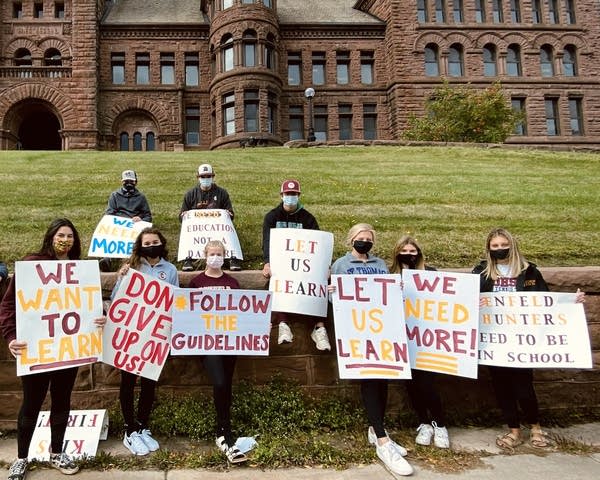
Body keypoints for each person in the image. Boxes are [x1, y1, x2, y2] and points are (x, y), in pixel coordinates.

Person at [0, 218, 106, 480]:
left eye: (71, 236)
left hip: (67, 351)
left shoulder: (80, 271)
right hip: (37, 351)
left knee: (62, 401)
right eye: (61, 234)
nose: (66, 240)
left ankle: (57, 452)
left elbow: (89, 307)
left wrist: (100, 316)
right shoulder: (29, 265)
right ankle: (22, 458)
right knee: (31, 405)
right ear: (50, 237)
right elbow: (7, 307)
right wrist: (11, 337)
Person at [472, 227, 585, 451]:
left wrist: (571, 301)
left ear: (512, 246)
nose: (500, 249)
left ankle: (535, 426)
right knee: (501, 386)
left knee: (524, 385)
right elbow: (467, 299)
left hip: (522, 339)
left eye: (504, 245)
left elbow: (545, 300)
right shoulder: (481, 272)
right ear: (488, 249)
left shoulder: (529, 271)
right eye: (495, 246)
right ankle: (514, 429)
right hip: (495, 340)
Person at [330, 223, 413, 476]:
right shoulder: (341, 265)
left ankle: (378, 431)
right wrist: (334, 292)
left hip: (381, 330)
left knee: (383, 377)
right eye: (360, 238)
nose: (365, 242)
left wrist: (396, 290)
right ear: (351, 240)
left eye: (369, 239)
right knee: (368, 379)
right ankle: (382, 440)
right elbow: (334, 298)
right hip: (356, 331)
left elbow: (386, 293)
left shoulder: (379, 264)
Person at [111, 227, 179, 456]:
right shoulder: (132, 268)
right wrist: (122, 278)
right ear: (140, 246)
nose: (151, 245)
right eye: (147, 242)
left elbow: (175, 301)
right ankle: (129, 430)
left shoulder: (170, 270)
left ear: (162, 243)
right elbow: (116, 300)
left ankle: (142, 425)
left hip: (155, 337)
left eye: (155, 241)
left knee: (150, 382)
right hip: (132, 334)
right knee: (128, 381)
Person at [188, 240, 248, 464]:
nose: (215, 257)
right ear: (205, 255)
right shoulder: (196, 282)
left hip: (229, 342)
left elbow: (244, 311)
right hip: (206, 343)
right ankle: (223, 432)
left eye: (219, 253)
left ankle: (224, 430)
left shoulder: (231, 282)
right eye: (212, 253)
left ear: (225, 256)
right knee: (220, 382)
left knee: (227, 385)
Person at [390, 235, 449, 449]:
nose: (408, 255)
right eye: (404, 251)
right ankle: (424, 423)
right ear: (397, 253)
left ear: (419, 254)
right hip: (402, 337)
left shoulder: (431, 275)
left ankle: (440, 424)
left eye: (412, 251)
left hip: (427, 339)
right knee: (412, 384)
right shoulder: (390, 275)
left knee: (427, 384)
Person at [261, 179, 331, 350]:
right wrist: (267, 263)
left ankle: (319, 328)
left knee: (316, 286)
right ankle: (283, 324)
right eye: (287, 194)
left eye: (293, 194)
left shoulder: (308, 218)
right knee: (276, 284)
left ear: (298, 195)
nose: (290, 197)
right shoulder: (271, 217)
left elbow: (318, 245)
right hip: (282, 266)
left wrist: (324, 266)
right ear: (281, 195)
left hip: (304, 267)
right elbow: (267, 243)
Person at [179, 164, 241, 272]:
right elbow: (181, 217)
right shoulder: (190, 194)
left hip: (217, 230)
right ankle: (188, 259)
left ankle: (232, 258)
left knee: (228, 232)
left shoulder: (222, 193)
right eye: (203, 177)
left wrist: (228, 214)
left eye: (208, 176)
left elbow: (230, 214)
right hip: (198, 230)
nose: (206, 179)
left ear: (213, 177)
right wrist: (184, 216)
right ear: (198, 177)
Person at [100, 170, 152, 272]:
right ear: (121, 181)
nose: (128, 183)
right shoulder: (114, 195)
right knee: (110, 233)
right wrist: (119, 221)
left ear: (136, 182)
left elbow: (148, 216)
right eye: (126, 181)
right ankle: (106, 259)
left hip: (135, 225)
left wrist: (140, 219)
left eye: (131, 181)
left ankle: (130, 262)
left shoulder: (141, 197)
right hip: (119, 224)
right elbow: (109, 214)